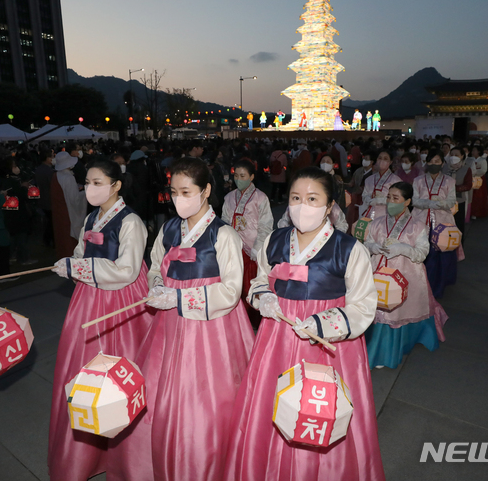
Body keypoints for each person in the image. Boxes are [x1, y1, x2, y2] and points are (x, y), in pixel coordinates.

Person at [223, 166, 383, 481]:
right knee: (272, 405)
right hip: (278, 339)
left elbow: (364, 306)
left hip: (325, 346)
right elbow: (258, 282)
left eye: (312, 199)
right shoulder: (274, 240)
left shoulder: (349, 250)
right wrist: (263, 297)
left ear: (329, 206)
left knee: (319, 413)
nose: (301, 206)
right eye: (296, 197)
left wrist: (325, 323)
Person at [107, 157, 255, 481]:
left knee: (205, 400)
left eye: (186, 191)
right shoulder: (170, 227)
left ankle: (203, 460)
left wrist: (180, 297)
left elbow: (231, 290)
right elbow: (156, 261)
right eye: (173, 192)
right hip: (169, 325)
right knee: (159, 390)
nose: (178, 199)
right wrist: (158, 285)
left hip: (211, 328)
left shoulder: (224, 234)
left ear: (205, 191)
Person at [48, 160, 153, 481]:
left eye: (97, 182)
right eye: (87, 182)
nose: (90, 188)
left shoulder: (131, 221)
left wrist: (80, 269)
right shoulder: (92, 217)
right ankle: (85, 454)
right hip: (88, 299)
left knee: (121, 372)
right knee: (83, 371)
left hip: (121, 301)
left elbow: (127, 270)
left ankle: (129, 454)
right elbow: (82, 251)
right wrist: (72, 263)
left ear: (116, 184)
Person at [363, 182, 448, 369]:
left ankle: (387, 351)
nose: (390, 202)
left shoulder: (417, 226)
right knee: (376, 310)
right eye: (388, 198)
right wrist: (373, 247)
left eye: (395, 198)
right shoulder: (377, 222)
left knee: (396, 310)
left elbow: (422, 253)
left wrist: (404, 249)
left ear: (407, 201)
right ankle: (374, 349)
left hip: (404, 274)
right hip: (378, 271)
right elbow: (367, 243)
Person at [222, 159, 273, 328]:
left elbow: (265, 225)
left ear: (251, 177)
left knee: (250, 287)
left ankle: (252, 324)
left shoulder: (260, 198)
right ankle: (236, 323)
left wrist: (257, 249)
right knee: (233, 286)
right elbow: (224, 222)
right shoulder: (229, 197)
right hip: (233, 248)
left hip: (252, 250)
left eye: (242, 175)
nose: (238, 179)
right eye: (236, 175)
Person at [412, 151, 459, 299]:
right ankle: (419, 286)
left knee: (441, 256)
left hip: (442, 222)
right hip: (421, 221)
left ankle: (438, 287)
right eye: (431, 161)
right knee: (423, 254)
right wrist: (433, 203)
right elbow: (414, 201)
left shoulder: (449, 181)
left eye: (437, 161)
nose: (434, 164)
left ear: (442, 163)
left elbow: (451, 201)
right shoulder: (418, 180)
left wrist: (437, 204)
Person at [0, 157, 36, 265]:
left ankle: (12, 256)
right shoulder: (12, 182)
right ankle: (23, 258)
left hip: (10, 213)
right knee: (21, 236)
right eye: (14, 166)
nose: (16, 168)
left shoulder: (3, 181)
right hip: (18, 213)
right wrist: (24, 188)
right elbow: (22, 196)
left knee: (14, 236)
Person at [51, 151, 87, 259]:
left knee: (61, 235)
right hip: (68, 211)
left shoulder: (56, 176)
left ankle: (63, 256)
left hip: (59, 210)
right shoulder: (68, 177)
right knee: (69, 237)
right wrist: (86, 192)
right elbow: (74, 199)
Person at [359, 149, 402, 220]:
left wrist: (379, 201)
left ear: (390, 162)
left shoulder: (396, 180)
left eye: (385, 159)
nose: (382, 161)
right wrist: (367, 198)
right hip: (368, 215)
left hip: (386, 216)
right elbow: (364, 195)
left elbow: (398, 200)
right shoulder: (369, 179)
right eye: (380, 158)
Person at [444, 148, 473, 237]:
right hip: (445, 200)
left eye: (456, 155)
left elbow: (468, 185)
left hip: (458, 200)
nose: (453, 157)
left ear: (462, 156)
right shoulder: (444, 168)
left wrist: (454, 188)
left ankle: (458, 247)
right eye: (452, 154)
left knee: (458, 226)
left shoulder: (466, 169)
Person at [34, 149, 55, 247]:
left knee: (49, 221)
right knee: (51, 222)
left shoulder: (38, 169)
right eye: (51, 156)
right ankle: (49, 240)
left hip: (42, 199)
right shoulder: (49, 171)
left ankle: (47, 239)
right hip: (49, 199)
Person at [470, 145, 488, 219]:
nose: (473, 152)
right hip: (471, 178)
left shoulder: (482, 160)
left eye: (474, 150)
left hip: (479, 179)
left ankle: (477, 212)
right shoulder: (470, 159)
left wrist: (474, 173)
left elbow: (483, 171)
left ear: (479, 152)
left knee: (478, 196)